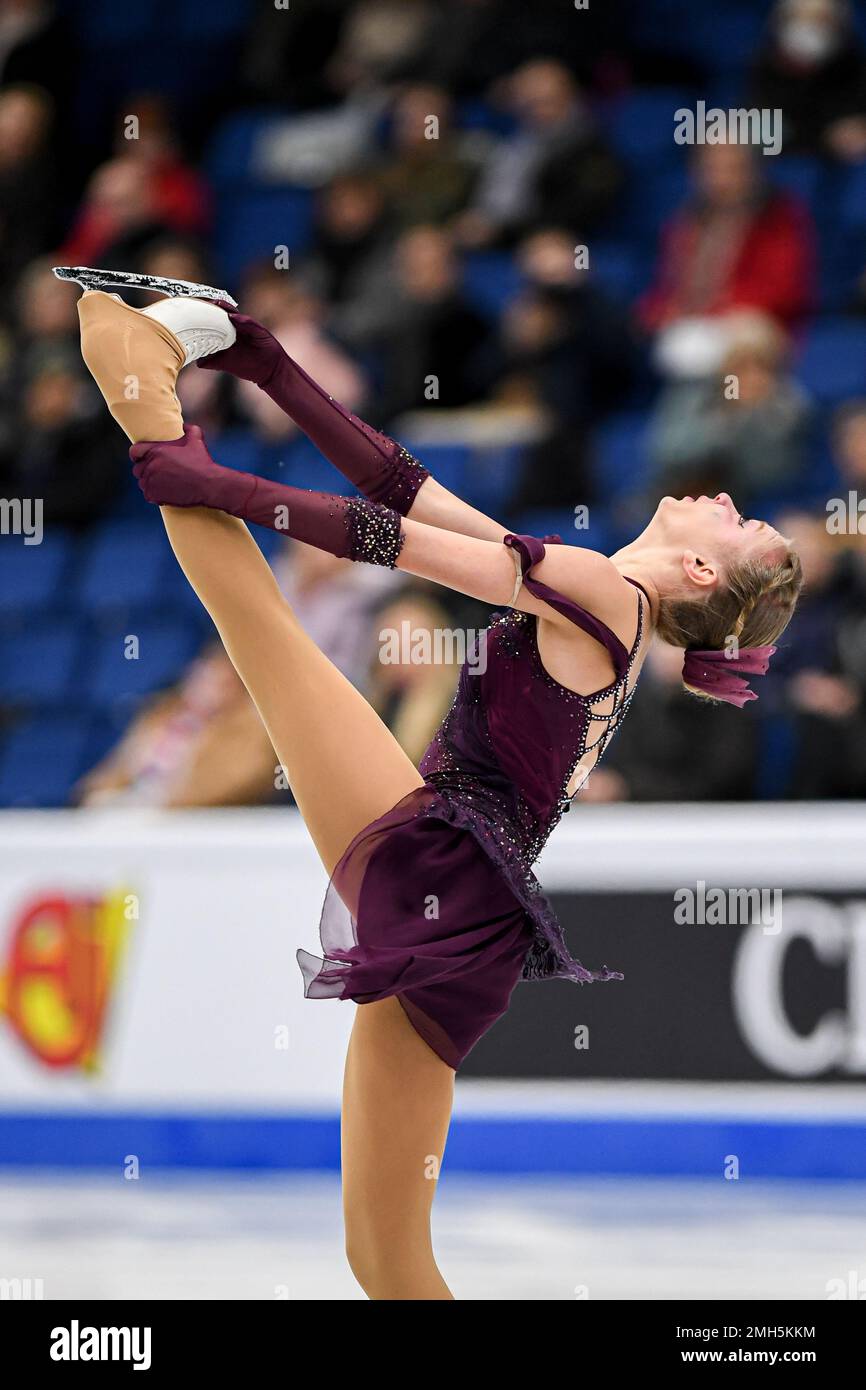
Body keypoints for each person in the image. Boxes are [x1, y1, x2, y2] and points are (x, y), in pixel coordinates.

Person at [73, 281, 802, 1300]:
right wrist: (267, 362)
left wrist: (205, 477)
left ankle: (143, 397)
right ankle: (148, 390)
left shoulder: (605, 590)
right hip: (455, 887)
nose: (725, 499)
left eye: (739, 522)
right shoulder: (601, 593)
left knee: (263, 630)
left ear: (692, 567)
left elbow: (386, 541)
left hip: (446, 874)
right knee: (387, 1261)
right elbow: (405, 491)